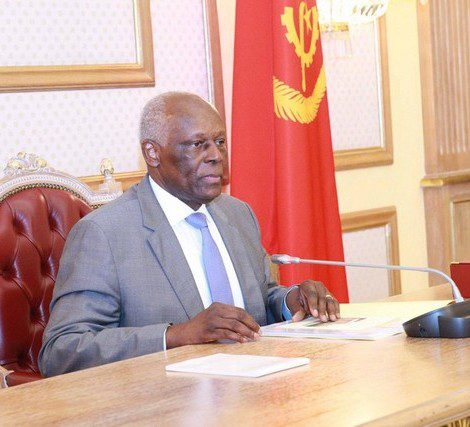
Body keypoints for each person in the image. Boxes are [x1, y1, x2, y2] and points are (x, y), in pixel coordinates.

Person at [38, 92, 340, 377]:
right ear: (152, 153)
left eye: (219, 142)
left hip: (258, 387)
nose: (216, 156)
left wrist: (292, 301)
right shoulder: (104, 233)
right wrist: (176, 335)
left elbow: (258, 301)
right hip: (164, 400)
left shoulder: (238, 213)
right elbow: (62, 350)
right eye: (198, 144)